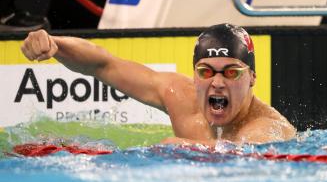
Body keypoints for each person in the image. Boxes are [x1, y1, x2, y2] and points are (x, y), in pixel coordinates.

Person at [21, 23, 296, 145]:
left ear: (252, 79)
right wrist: (55, 44)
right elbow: (103, 64)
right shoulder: (180, 96)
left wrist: (180, 148)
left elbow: (247, 156)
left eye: (231, 73)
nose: (218, 83)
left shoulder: (268, 127)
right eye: (206, 72)